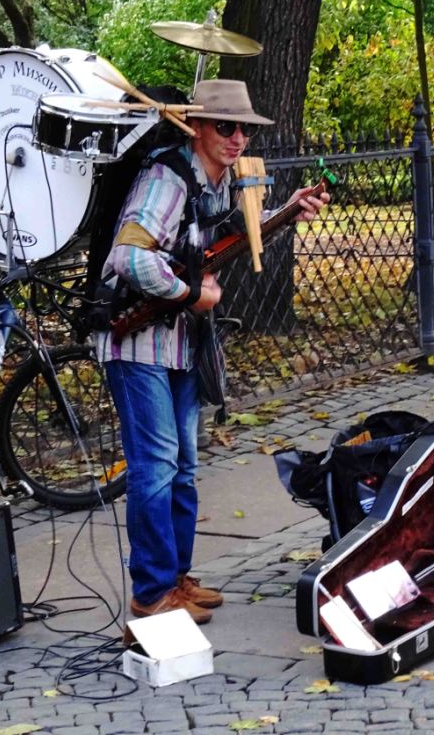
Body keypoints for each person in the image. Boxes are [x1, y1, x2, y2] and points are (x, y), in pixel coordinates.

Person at [96, 79, 330, 624]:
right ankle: (151, 594)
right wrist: (188, 294)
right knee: (154, 468)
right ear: (196, 126)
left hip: (179, 342)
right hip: (138, 340)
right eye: (224, 126)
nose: (237, 138)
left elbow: (215, 248)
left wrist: (285, 214)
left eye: (244, 128)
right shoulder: (167, 178)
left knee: (182, 468)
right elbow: (128, 258)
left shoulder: (219, 184)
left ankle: (175, 579)